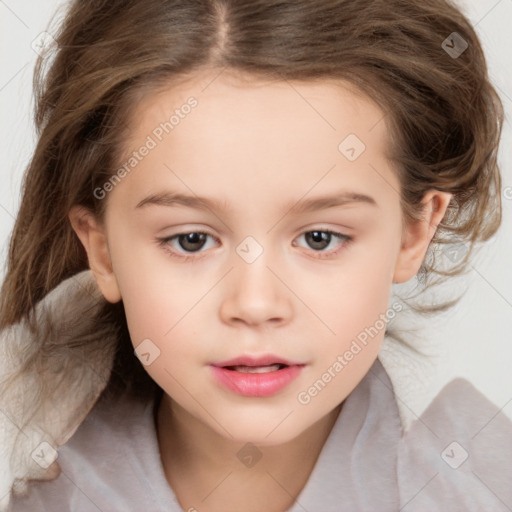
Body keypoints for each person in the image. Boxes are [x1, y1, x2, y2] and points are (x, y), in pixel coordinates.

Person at [1, 1, 511, 511]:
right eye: (191, 240)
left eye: (319, 238)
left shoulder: (482, 487)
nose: (256, 303)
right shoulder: (29, 487)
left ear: (413, 233)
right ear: (102, 250)